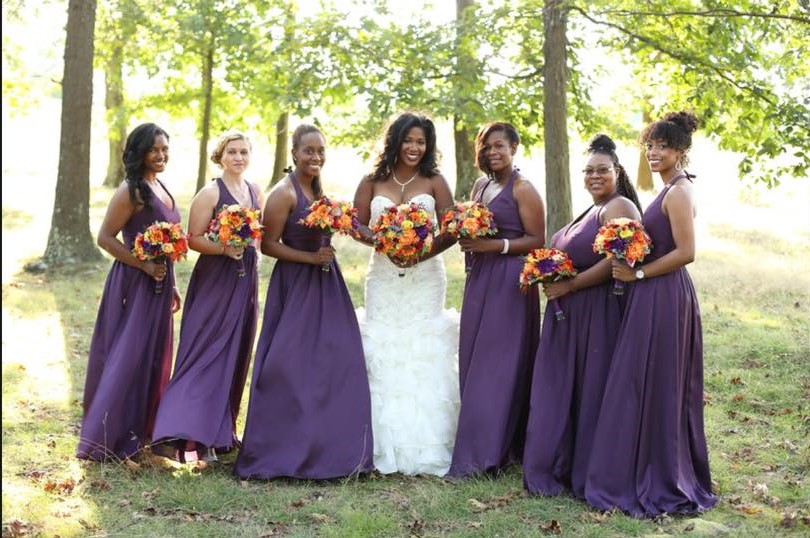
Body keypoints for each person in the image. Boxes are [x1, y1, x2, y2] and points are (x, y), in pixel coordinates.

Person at [584, 111, 717, 516]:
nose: (655, 152)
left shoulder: (678, 191)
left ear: (681, 150)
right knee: (638, 379)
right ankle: (637, 465)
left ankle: (661, 474)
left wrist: (638, 271)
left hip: (664, 293)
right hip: (649, 292)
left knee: (653, 381)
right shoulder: (668, 188)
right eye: (651, 145)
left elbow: (686, 253)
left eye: (664, 146)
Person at [234, 124, 373, 480]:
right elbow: (268, 245)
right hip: (296, 286)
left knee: (335, 361)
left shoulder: (319, 191)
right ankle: (283, 448)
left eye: (321, 151)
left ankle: (329, 446)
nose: (316, 157)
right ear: (293, 153)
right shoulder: (284, 193)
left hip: (327, 286)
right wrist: (311, 259)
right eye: (308, 151)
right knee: (290, 366)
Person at [523, 134, 642, 497]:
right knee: (568, 389)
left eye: (602, 170)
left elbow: (616, 261)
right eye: (588, 170)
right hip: (572, 316)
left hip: (597, 314)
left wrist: (570, 285)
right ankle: (562, 463)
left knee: (590, 390)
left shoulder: (618, 206)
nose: (594, 176)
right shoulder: (593, 208)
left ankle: (588, 469)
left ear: (618, 172)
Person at [352, 111, 460, 476]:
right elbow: (355, 223)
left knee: (422, 346)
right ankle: (376, 442)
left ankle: (425, 444)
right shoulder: (372, 180)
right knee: (383, 345)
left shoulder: (435, 181)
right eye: (408, 140)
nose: (414, 147)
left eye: (421, 141)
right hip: (382, 275)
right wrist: (383, 241)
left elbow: (452, 228)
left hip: (426, 275)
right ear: (394, 141)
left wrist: (419, 253)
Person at [151, 131, 265, 464]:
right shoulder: (210, 192)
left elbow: (261, 232)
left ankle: (217, 437)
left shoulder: (256, 191)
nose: (239, 157)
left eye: (244, 152)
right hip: (215, 280)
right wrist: (223, 247)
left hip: (246, 280)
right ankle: (173, 432)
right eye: (232, 151)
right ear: (220, 156)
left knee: (235, 353)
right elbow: (193, 239)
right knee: (204, 352)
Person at [76, 123, 182, 461]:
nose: (161, 155)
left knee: (154, 358)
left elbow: (169, 243)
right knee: (128, 358)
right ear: (139, 153)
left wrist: (173, 283)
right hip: (135, 283)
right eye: (154, 150)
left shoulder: (161, 185)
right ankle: (110, 438)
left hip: (161, 283)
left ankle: (143, 436)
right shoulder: (131, 191)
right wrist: (144, 266)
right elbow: (105, 238)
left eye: (164, 148)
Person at [448, 121, 546, 478]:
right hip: (481, 277)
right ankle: (478, 439)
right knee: (474, 356)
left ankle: (489, 452)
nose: (493, 151)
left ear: (514, 147)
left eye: (500, 145)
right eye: (487, 146)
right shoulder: (482, 184)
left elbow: (537, 239)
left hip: (510, 280)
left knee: (498, 364)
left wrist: (496, 246)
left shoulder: (524, 189)